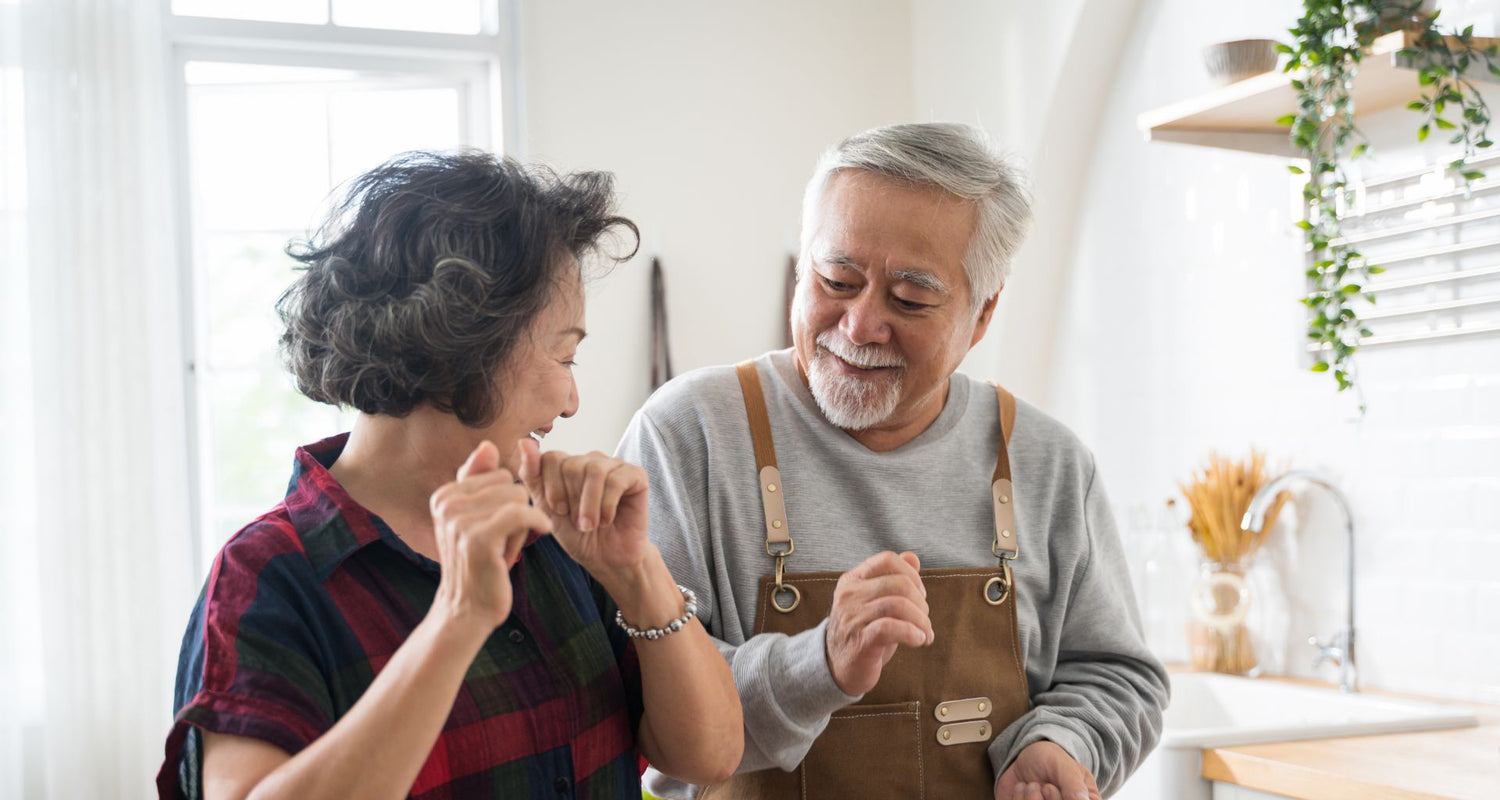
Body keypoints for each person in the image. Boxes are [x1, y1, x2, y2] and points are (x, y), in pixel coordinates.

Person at [158, 151, 742, 800]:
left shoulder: (560, 538)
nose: (571, 402)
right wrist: (457, 619)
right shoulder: (266, 578)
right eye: (564, 356)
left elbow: (712, 756)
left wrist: (635, 573)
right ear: (460, 344)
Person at [617, 123, 1168, 800]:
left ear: (983, 313)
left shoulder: (1048, 464)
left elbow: (1120, 677)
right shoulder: (688, 436)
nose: (859, 326)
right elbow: (640, 699)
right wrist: (818, 662)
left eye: (910, 300)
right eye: (836, 280)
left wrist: (1062, 743)